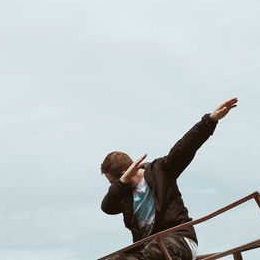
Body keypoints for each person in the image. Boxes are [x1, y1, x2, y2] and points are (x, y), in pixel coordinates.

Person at [100, 98, 238, 260]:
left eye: (113, 181)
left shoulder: (161, 170)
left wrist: (210, 120)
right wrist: (122, 182)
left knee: (154, 249)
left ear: (125, 172)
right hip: (146, 250)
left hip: (180, 240)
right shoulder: (123, 194)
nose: (114, 185)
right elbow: (107, 207)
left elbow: (185, 147)